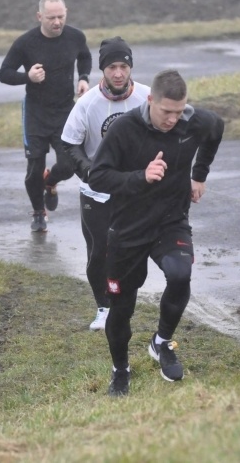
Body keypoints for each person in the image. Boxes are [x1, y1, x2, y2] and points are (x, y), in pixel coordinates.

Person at [88, 69, 225, 397]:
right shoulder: (124, 129)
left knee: (180, 275)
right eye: (167, 112)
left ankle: (162, 343)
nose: (173, 119)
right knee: (122, 306)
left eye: (179, 112)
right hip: (128, 227)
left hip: (170, 221)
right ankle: (120, 369)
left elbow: (216, 128)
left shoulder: (192, 121)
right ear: (150, 100)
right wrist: (140, 177)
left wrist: (200, 174)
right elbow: (97, 177)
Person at [61, 37, 151, 332]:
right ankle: (103, 307)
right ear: (103, 70)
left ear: (130, 67)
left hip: (136, 190)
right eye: (112, 67)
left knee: (132, 251)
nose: (118, 73)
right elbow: (70, 143)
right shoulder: (87, 103)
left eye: (123, 66)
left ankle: (125, 303)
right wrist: (89, 171)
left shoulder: (148, 98)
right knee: (100, 252)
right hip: (96, 193)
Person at [0, 0, 92, 233]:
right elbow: (4, 73)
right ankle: (39, 212)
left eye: (61, 16)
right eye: (51, 18)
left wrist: (83, 78)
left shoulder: (75, 36)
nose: (57, 22)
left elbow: (85, 56)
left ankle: (50, 181)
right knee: (33, 170)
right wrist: (27, 77)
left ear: (66, 13)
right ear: (40, 16)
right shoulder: (25, 43)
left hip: (64, 112)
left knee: (70, 165)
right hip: (36, 113)